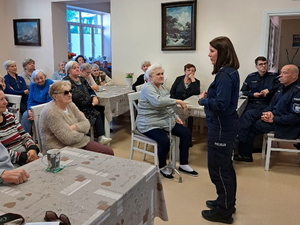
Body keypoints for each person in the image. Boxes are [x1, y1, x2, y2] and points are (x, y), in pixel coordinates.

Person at [198, 36, 240, 224]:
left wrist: (204, 100)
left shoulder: (224, 74)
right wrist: (211, 95)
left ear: (222, 52)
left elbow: (221, 104)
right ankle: (225, 202)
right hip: (226, 127)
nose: (209, 54)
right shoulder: (230, 72)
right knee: (226, 169)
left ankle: (224, 212)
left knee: (219, 170)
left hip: (221, 129)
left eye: (212, 51)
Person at [136, 63, 198, 179]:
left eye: (162, 74)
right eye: (158, 74)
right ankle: (162, 166)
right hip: (148, 123)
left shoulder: (162, 87)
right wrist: (178, 101)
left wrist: (175, 117)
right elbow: (158, 102)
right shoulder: (148, 88)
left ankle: (183, 164)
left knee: (185, 132)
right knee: (165, 141)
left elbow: (167, 105)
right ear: (150, 77)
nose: (161, 76)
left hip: (163, 120)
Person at [234, 64, 300, 162]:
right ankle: (238, 143)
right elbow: (272, 104)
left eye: (284, 73)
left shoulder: (297, 91)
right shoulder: (282, 88)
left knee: (253, 125)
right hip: (273, 115)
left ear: (294, 76)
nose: (280, 75)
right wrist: (268, 113)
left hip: (284, 125)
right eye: (281, 72)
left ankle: (243, 152)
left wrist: (273, 119)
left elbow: (296, 117)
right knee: (248, 114)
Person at [39, 81, 114, 155]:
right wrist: (82, 133)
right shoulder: (51, 112)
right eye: (66, 93)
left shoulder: (69, 104)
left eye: (70, 91)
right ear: (55, 96)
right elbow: (68, 138)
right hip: (60, 150)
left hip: (78, 144)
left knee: (109, 152)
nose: (70, 95)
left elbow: (87, 124)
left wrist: (75, 127)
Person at [63, 61, 112, 145]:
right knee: (86, 116)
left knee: (99, 111)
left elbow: (90, 89)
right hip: (75, 109)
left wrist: (94, 97)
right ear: (69, 71)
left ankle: (100, 136)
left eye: (78, 67)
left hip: (87, 106)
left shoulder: (81, 79)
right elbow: (66, 99)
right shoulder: (66, 82)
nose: (77, 69)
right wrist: (77, 111)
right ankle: (86, 139)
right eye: (74, 68)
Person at [0, 86, 39, 166]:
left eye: (5, 98)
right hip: (9, 162)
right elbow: (2, 152)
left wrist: (32, 148)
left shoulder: (10, 116)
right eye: (1, 99)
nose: (6, 102)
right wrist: (22, 157)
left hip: (26, 153)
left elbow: (23, 135)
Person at [170, 63, 200, 147]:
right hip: (177, 102)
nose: (190, 72)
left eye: (193, 71)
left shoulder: (196, 82)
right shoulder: (179, 79)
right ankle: (176, 137)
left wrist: (193, 80)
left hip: (189, 104)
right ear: (184, 71)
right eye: (188, 70)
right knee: (176, 117)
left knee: (189, 117)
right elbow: (172, 92)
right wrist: (176, 101)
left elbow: (196, 94)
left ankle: (188, 138)